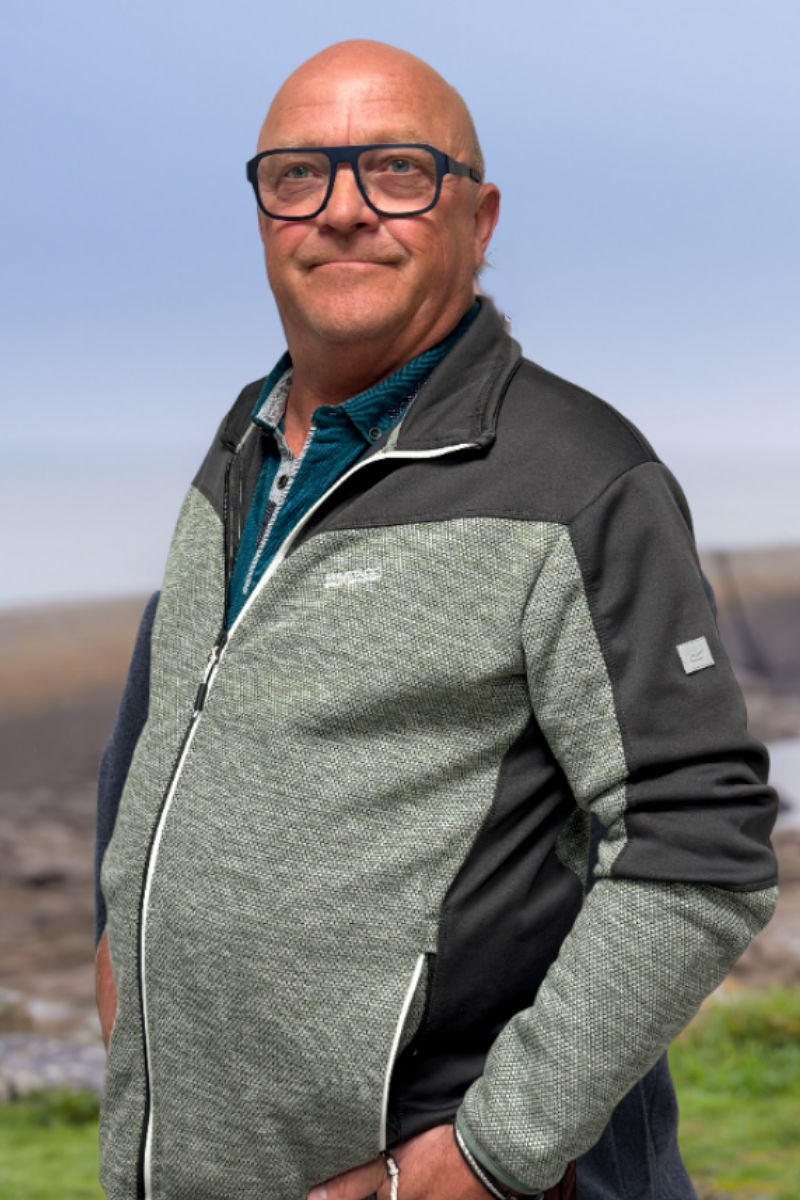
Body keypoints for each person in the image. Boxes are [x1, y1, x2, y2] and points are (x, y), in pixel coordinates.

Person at [95, 40, 779, 1200]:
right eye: (298, 174)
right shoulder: (246, 438)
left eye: (397, 171)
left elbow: (700, 848)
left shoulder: (580, 480)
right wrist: (119, 935)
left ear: (479, 216)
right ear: (262, 215)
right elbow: (172, 710)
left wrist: (485, 1156)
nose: (341, 210)